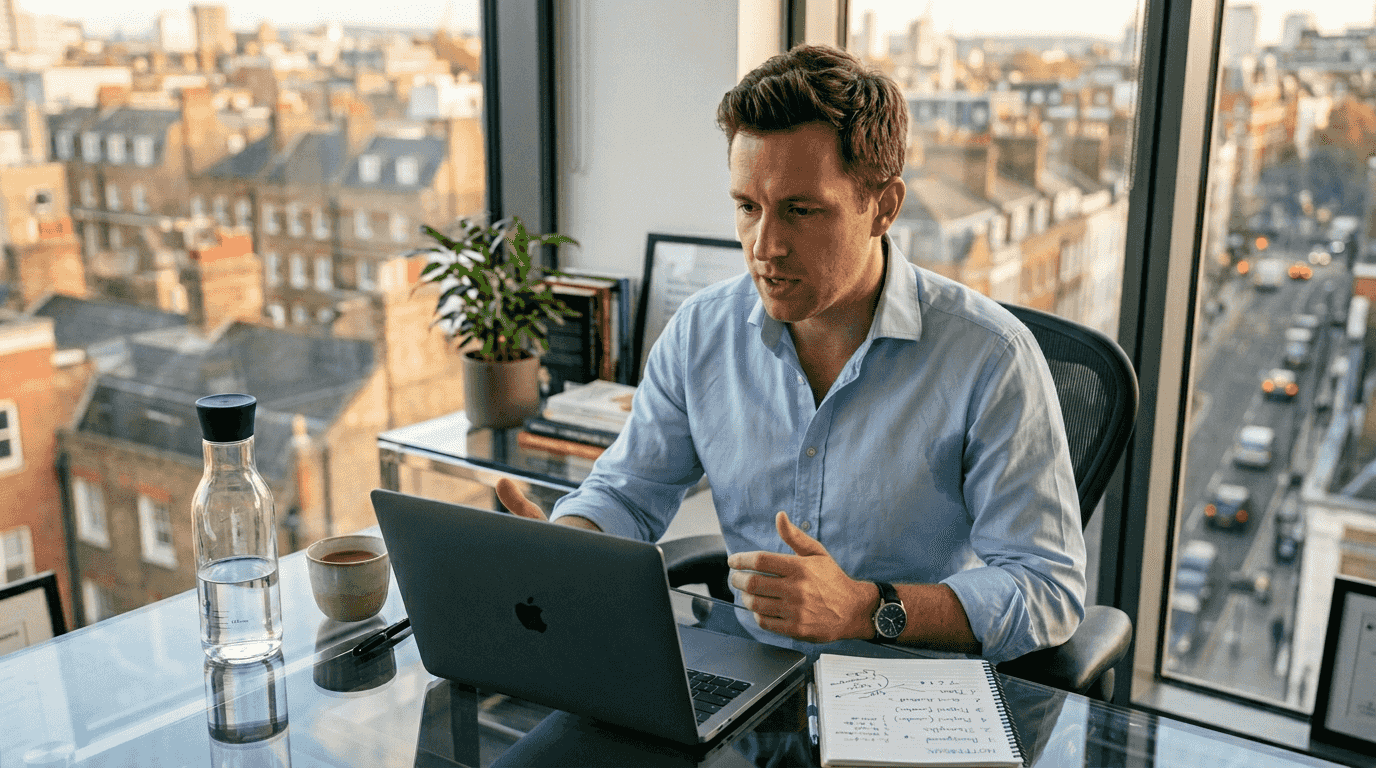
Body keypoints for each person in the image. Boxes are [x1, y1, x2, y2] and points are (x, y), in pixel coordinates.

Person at [497, 43, 1085, 664]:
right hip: (753, 676)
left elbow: (1049, 587)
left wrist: (865, 607)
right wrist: (564, 545)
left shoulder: (991, 357)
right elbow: (626, 492)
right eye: (748, 208)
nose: (764, 246)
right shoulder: (701, 332)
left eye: (801, 211)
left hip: (908, 695)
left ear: (883, 206)